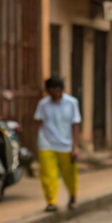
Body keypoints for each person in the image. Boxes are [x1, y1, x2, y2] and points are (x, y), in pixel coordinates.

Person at [34, 77, 82, 212]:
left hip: (66, 144)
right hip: (46, 143)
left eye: (55, 90)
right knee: (48, 174)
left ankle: (72, 196)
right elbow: (38, 122)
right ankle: (51, 202)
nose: (53, 93)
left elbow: (75, 124)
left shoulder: (72, 103)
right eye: (50, 90)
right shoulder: (43, 104)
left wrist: (75, 146)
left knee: (69, 173)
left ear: (60, 90)